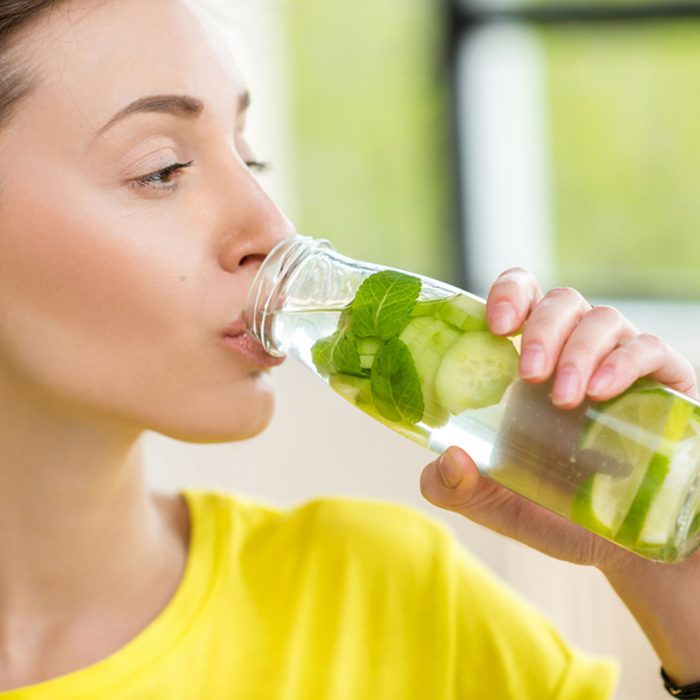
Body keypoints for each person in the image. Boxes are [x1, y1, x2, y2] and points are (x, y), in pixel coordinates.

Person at [0, 0, 698, 698]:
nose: (274, 228)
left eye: (250, 157)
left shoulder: (400, 607)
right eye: (162, 169)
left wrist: (687, 607)